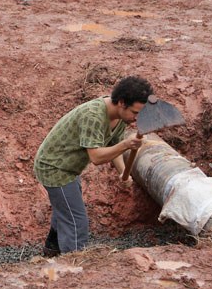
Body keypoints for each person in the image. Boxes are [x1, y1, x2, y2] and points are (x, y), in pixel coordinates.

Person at [34, 76, 153, 256]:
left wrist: (123, 173)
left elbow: (114, 144)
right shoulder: (94, 116)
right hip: (54, 167)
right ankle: (72, 265)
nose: (136, 119)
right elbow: (97, 156)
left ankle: (51, 253)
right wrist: (126, 145)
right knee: (76, 222)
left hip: (70, 167)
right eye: (135, 113)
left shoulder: (121, 117)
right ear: (121, 103)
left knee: (65, 210)